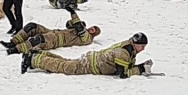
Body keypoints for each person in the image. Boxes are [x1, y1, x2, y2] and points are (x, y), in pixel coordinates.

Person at [21, 32, 154, 78]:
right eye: (141, 46)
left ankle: (38, 53)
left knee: (67, 62)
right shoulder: (124, 53)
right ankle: (34, 60)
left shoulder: (128, 47)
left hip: (92, 59)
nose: (142, 49)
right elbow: (122, 74)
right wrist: (141, 69)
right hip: (90, 65)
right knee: (64, 67)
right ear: (136, 44)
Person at [0, 6, 101, 54]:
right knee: (32, 26)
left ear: (94, 34)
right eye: (91, 28)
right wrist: (75, 22)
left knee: (39, 39)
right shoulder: (83, 30)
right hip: (54, 32)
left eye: (93, 30)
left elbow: (79, 28)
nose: (90, 29)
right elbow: (68, 24)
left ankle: (16, 49)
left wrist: (73, 14)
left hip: (57, 40)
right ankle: (13, 42)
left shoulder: (87, 38)